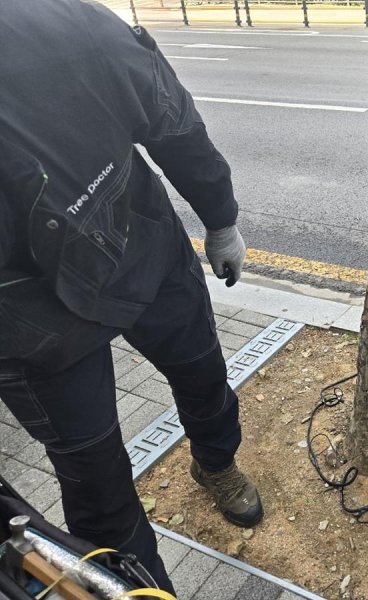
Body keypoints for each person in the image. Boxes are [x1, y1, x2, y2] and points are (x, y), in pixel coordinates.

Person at [0, 1, 263, 593]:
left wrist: (219, 216)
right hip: (30, 324)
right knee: (96, 483)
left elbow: (170, 119)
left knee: (201, 374)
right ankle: (144, 592)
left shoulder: (67, 22)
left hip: (135, 240)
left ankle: (216, 464)